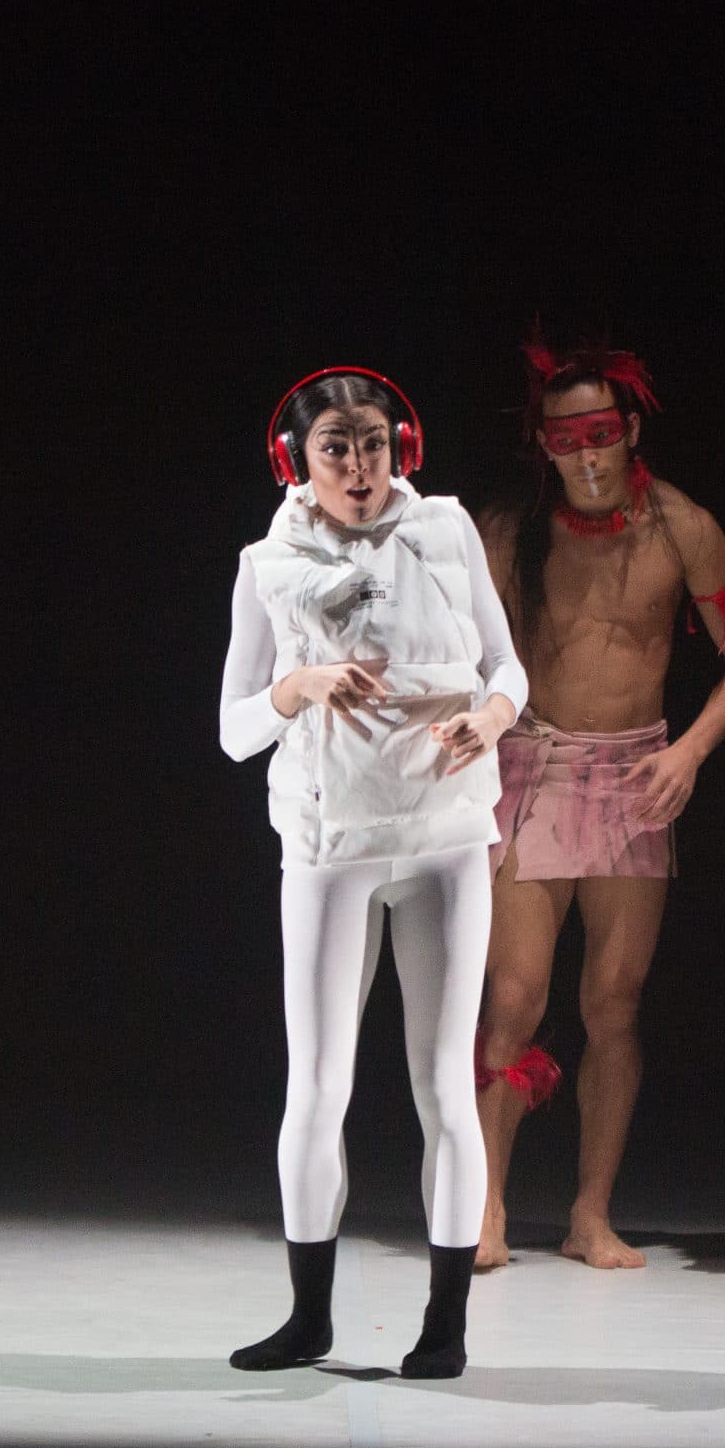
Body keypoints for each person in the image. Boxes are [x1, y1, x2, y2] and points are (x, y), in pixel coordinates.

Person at [220, 366, 527, 1378]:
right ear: (295, 460)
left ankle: (447, 1324)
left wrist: (491, 717)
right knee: (318, 1086)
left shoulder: (445, 529)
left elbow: (505, 663)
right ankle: (308, 1314)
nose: (359, 466)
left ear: (404, 446)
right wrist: (297, 686)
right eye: (335, 447)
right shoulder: (269, 563)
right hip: (330, 843)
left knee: (445, 1085)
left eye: (374, 444)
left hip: (444, 833)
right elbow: (232, 729)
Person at [473, 340, 725, 1271]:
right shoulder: (508, 532)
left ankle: (590, 1213)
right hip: (535, 762)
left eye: (599, 433)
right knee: (514, 993)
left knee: (614, 1001)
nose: (586, 455)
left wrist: (690, 749)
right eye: (565, 439)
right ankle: (485, 1205)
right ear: (543, 445)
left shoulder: (683, 527)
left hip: (637, 775)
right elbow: (456, 649)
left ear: (630, 429)